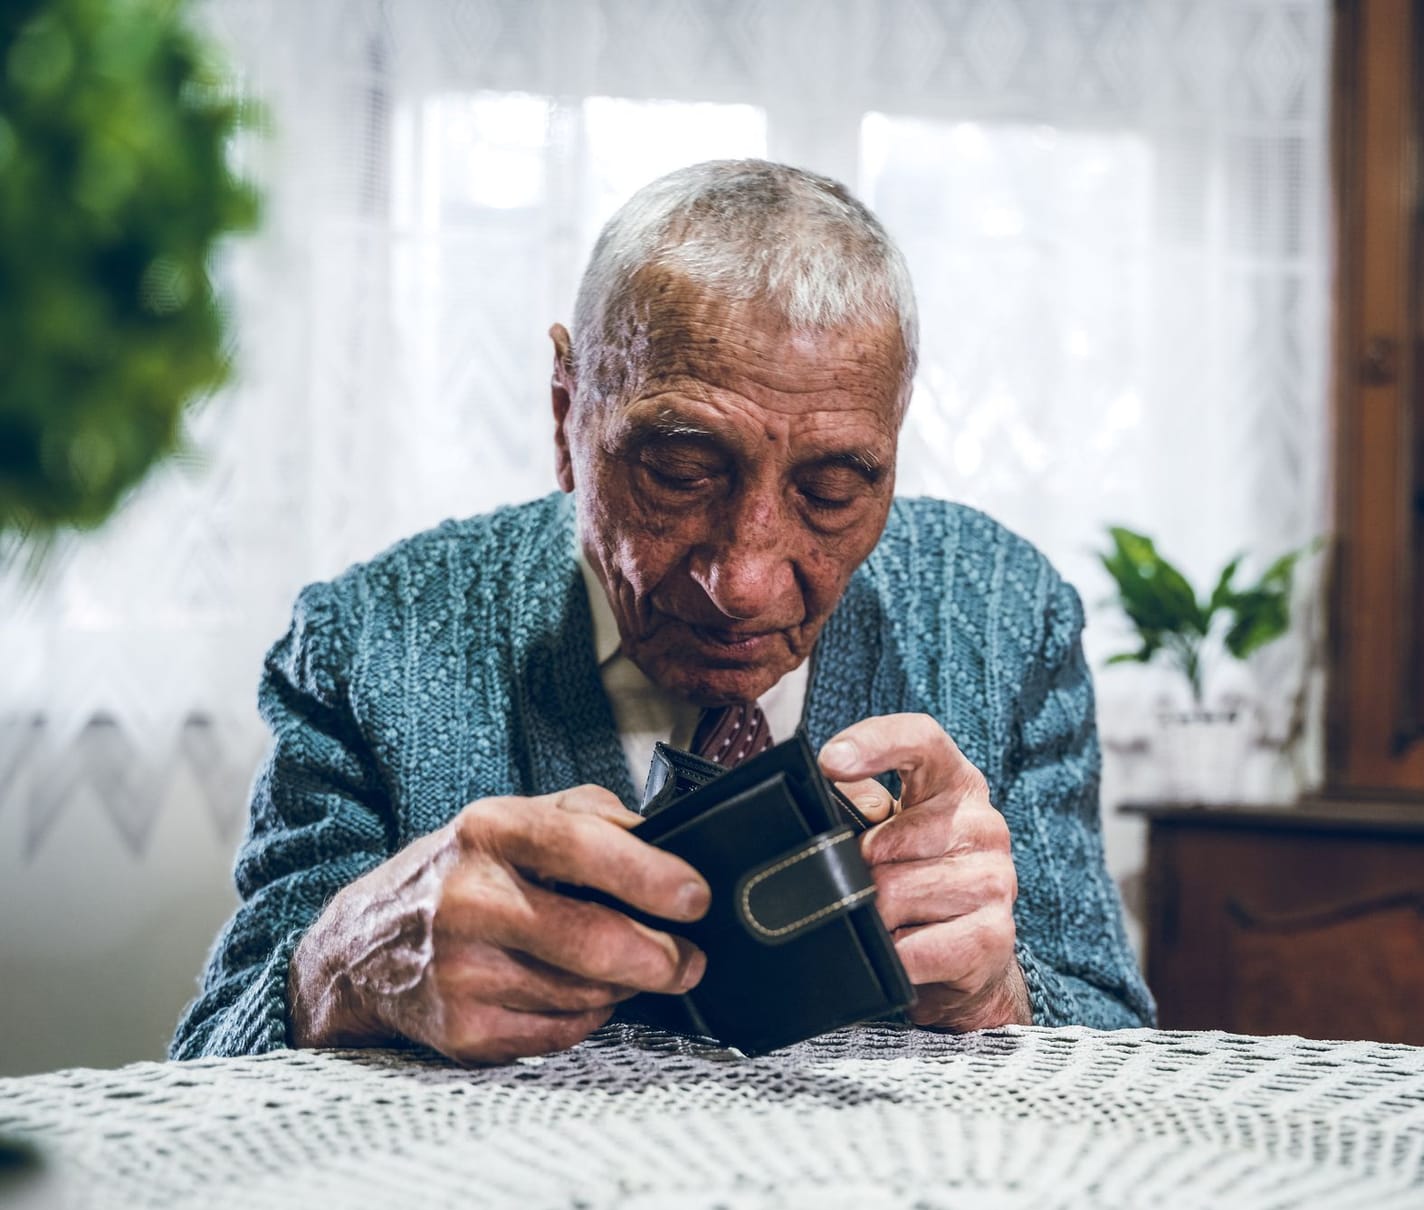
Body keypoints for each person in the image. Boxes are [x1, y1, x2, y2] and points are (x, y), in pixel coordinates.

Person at [172, 159, 1154, 1065]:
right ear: (567, 412)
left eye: (832, 487)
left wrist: (1000, 993)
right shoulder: (368, 642)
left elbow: (1124, 1049)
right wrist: (341, 971)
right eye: (679, 471)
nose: (746, 581)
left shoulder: (1004, 617)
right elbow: (204, 1071)